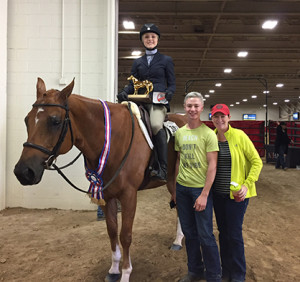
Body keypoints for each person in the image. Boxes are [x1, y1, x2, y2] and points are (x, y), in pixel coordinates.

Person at [210, 104, 263, 282]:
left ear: (229, 117)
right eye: (216, 117)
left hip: (237, 196)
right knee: (223, 233)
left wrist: (247, 184)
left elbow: (256, 161)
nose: (219, 120)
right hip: (218, 195)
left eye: (222, 116)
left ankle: (239, 274)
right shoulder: (211, 138)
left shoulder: (239, 136)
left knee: (234, 234)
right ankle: (226, 271)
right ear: (212, 119)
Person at [117, 23, 176, 181]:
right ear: (142, 40)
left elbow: (172, 83)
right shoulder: (137, 62)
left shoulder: (166, 60)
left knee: (156, 125)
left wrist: (169, 93)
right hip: (140, 101)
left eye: (153, 37)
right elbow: (133, 84)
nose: (150, 39)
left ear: (157, 39)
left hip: (157, 102)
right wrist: (124, 92)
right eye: (147, 37)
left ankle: (162, 168)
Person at [175, 92, 222, 282]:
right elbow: (178, 161)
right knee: (189, 233)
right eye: (189, 106)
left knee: (205, 235)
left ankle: (214, 275)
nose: (192, 109)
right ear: (184, 107)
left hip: (199, 190)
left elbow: (213, 165)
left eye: (196, 106)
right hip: (182, 189)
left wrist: (204, 194)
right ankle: (194, 270)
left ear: (202, 108)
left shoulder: (209, 134)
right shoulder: (179, 133)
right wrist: (174, 189)